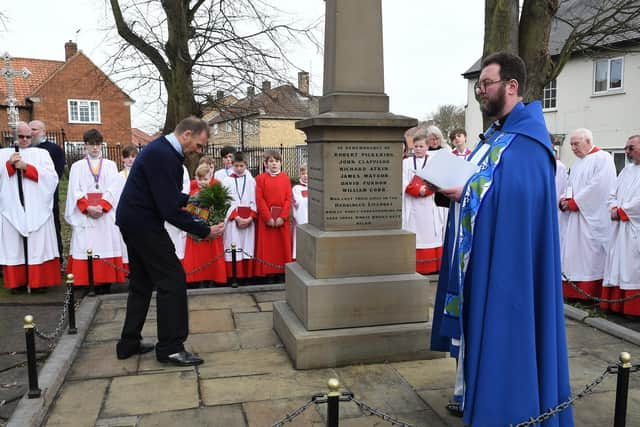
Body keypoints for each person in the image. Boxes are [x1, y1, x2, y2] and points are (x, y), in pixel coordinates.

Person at [430, 52, 573, 426]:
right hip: (482, 257)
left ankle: (506, 409)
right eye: (478, 86)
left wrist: (470, 193)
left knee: (506, 338)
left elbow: (517, 197)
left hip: (509, 267)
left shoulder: (528, 142)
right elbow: (480, 181)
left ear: (512, 86)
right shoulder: (496, 136)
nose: (480, 92)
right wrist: (452, 190)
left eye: (486, 84)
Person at [116, 117, 222, 366]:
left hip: (133, 220)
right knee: (173, 279)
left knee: (142, 282)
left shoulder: (162, 151)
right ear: (186, 134)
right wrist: (204, 230)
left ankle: (128, 342)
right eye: (199, 144)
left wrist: (191, 199)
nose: (199, 150)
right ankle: (171, 347)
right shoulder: (163, 155)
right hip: (143, 224)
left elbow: (165, 195)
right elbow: (168, 210)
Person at [0, 122, 61, 293]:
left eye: (29, 136)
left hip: (36, 206)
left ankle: (38, 283)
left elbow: (51, 177)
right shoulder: (3, 154)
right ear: (14, 136)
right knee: (14, 245)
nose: (25, 140)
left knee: (37, 243)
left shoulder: (42, 154)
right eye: (21, 136)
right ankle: (17, 283)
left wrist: (26, 167)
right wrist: (9, 166)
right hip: (12, 207)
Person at [65, 129, 125, 294]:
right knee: (87, 244)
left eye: (98, 144)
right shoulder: (77, 167)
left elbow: (114, 189)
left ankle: (106, 281)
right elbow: (74, 191)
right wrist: (87, 207)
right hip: (86, 213)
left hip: (104, 212)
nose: (95, 148)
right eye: (91, 145)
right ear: (85, 145)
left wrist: (103, 206)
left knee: (106, 242)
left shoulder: (110, 165)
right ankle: (87, 281)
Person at [559, 128, 616, 301]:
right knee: (573, 255)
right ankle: (572, 292)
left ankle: (589, 294)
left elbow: (599, 186)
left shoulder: (603, 158)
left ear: (588, 142)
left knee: (590, 255)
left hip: (591, 218)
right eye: (571, 145)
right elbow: (570, 184)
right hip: (575, 218)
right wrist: (564, 199)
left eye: (576, 144)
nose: (573, 148)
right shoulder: (577, 164)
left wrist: (575, 202)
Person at [601, 135, 640, 315]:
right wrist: (613, 207)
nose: (627, 152)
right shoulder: (626, 170)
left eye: (631, 148)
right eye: (626, 148)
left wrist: (623, 211)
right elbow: (612, 193)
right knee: (619, 264)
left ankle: (633, 309)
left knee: (632, 267)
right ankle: (617, 305)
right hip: (620, 227)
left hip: (634, 226)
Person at [401, 132, 443, 274]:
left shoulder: (433, 162)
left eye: (421, 146)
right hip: (412, 205)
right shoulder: (406, 162)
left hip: (429, 205)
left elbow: (438, 180)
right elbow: (402, 181)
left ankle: (431, 267)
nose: (418, 149)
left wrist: (428, 190)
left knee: (430, 234)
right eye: (416, 146)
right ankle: (414, 266)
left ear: (427, 147)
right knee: (415, 233)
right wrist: (418, 190)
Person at [182, 164, 227, 287]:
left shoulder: (216, 193)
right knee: (197, 260)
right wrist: (205, 214)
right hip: (196, 232)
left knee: (211, 258)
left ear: (210, 178)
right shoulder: (192, 193)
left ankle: (212, 279)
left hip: (213, 232)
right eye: (200, 179)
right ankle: (196, 280)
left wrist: (219, 220)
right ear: (195, 178)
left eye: (205, 179)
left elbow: (221, 209)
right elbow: (188, 209)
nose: (202, 182)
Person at [254, 149, 292, 282]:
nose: (274, 164)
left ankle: (281, 272)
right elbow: (260, 199)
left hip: (282, 219)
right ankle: (268, 273)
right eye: (271, 161)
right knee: (268, 248)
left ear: (280, 163)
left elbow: (288, 199)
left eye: (277, 161)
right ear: (265, 164)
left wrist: (283, 217)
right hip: (267, 220)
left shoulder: (285, 178)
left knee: (282, 247)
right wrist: (268, 217)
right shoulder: (260, 179)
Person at [30, 120, 65, 260]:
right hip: (30, 195)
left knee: (52, 224)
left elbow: (57, 173)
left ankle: (57, 256)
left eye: (35, 129)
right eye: (29, 129)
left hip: (48, 194)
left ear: (43, 131)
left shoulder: (54, 149)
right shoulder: (26, 149)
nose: (31, 132)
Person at [221, 152, 257, 283]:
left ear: (246, 165)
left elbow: (255, 200)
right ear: (232, 165)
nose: (239, 168)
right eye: (236, 166)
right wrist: (235, 217)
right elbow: (225, 201)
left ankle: (247, 276)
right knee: (233, 245)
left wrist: (250, 217)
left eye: (242, 166)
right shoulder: (226, 181)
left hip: (248, 221)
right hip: (233, 221)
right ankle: (234, 276)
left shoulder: (251, 181)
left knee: (247, 246)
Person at [291, 164, 309, 259]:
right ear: (300, 175)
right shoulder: (296, 188)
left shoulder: (315, 187)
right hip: (301, 219)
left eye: (308, 173)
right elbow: (297, 203)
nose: (305, 176)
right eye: (303, 173)